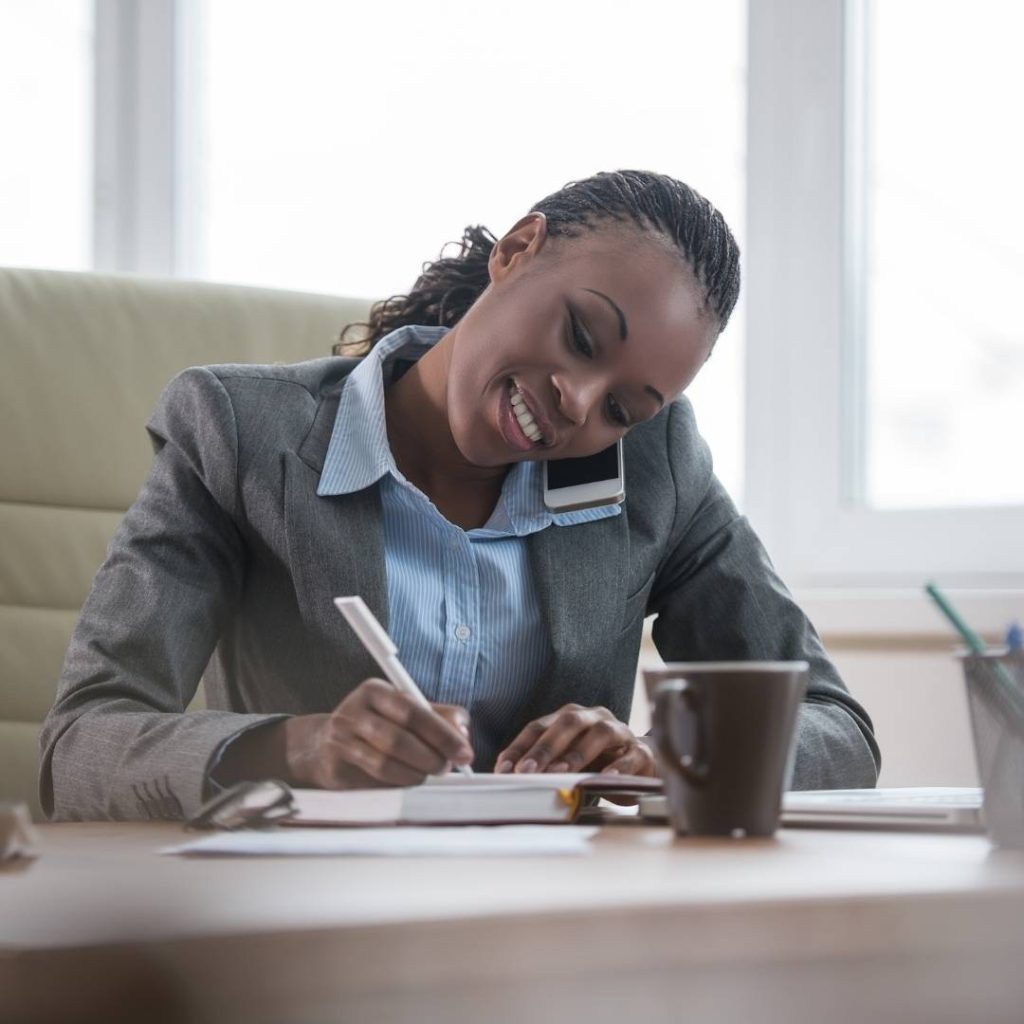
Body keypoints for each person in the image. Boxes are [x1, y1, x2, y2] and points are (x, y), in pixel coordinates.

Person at [39, 169, 880, 822]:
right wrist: (303, 747)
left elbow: (836, 728)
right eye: (582, 337)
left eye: (623, 408)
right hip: (305, 921)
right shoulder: (237, 434)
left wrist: (665, 758)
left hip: (548, 929)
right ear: (516, 250)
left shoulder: (655, 466)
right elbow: (78, 747)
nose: (579, 406)